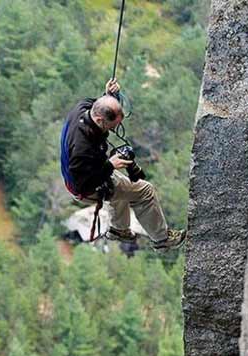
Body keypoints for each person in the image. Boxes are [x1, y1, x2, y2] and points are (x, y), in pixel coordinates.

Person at [60, 79, 185, 253]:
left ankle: (119, 229)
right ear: (99, 119)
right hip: (84, 187)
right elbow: (83, 185)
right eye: (112, 126)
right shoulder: (82, 148)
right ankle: (162, 239)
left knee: (121, 188)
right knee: (144, 191)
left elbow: (100, 104)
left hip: (88, 172)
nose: (115, 128)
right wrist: (109, 166)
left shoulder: (84, 108)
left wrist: (109, 95)